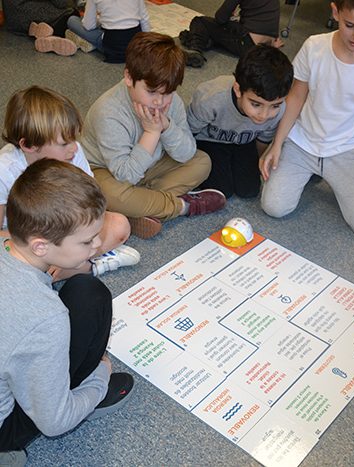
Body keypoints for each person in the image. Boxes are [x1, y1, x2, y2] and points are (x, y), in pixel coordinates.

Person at [0, 159, 134, 466]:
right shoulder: (47, 317)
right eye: (87, 240)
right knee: (91, 295)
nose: (97, 244)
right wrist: (99, 377)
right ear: (40, 247)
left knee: (83, 290)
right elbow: (54, 422)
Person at [259, 0, 354, 236]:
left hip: (346, 149)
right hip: (302, 142)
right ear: (335, 12)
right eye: (350, 25)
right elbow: (296, 96)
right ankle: (312, 172)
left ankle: (325, 174)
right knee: (274, 207)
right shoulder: (314, 46)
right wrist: (277, 143)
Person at [81, 32, 226, 239]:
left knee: (202, 162)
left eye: (167, 93)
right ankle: (181, 206)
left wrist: (166, 127)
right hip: (106, 170)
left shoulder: (172, 102)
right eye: (151, 92)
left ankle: (141, 206)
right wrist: (152, 132)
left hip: (149, 166)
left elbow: (187, 153)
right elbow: (126, 175)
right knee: (111, 195)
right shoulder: (109, 112)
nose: (159, 101)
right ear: (129, 77)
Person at [0, 85, 140, 281]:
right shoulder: (4, 170)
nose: (74, 148)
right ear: (28, 145)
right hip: (29, 242)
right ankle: (86, 267)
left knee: (120, 226)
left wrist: (69, 246)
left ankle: (65, 268)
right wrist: (54, 252)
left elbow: (91, 202)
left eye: (74, 138)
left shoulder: (73, 152)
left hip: (70, 228)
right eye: (64, 143)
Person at [187, 45, 293, 198]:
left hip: (244, 141)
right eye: (256, 104)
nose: (264, 115)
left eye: (274, 106)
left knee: (249, 190)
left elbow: (263, 140)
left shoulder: (280, 109)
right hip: (210, 140)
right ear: (237, 89)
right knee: (222, 191)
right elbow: (188, 132)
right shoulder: (211, 98)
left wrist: (256, 162)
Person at [178, 0, 283, 68]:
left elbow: (220, 18)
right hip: (267, 43)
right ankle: (206, 40)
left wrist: (229, 15)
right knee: (222, 31)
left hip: (248, 43)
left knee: (200, 21)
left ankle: (195, 50)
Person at [65, 0, 151, 63]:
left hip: (112, 48)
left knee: (72, 20)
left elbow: (89, 26)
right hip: (135, 47)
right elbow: (144, 19)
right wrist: (146, 45)